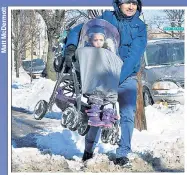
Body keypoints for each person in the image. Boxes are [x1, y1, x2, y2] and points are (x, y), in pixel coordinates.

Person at [64, 0, 147, 166]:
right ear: (118, 3)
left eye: (134, 3)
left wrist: (116, 79)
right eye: (127, 2)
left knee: (127, 114)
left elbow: (133, 56)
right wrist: (71, 47)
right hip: (103, 74)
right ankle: (88, 151)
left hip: (126, 77)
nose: (131, 6)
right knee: (98, 112)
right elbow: (79, 30)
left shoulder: (140, 27)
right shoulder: (107, 18)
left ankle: (123, 154)